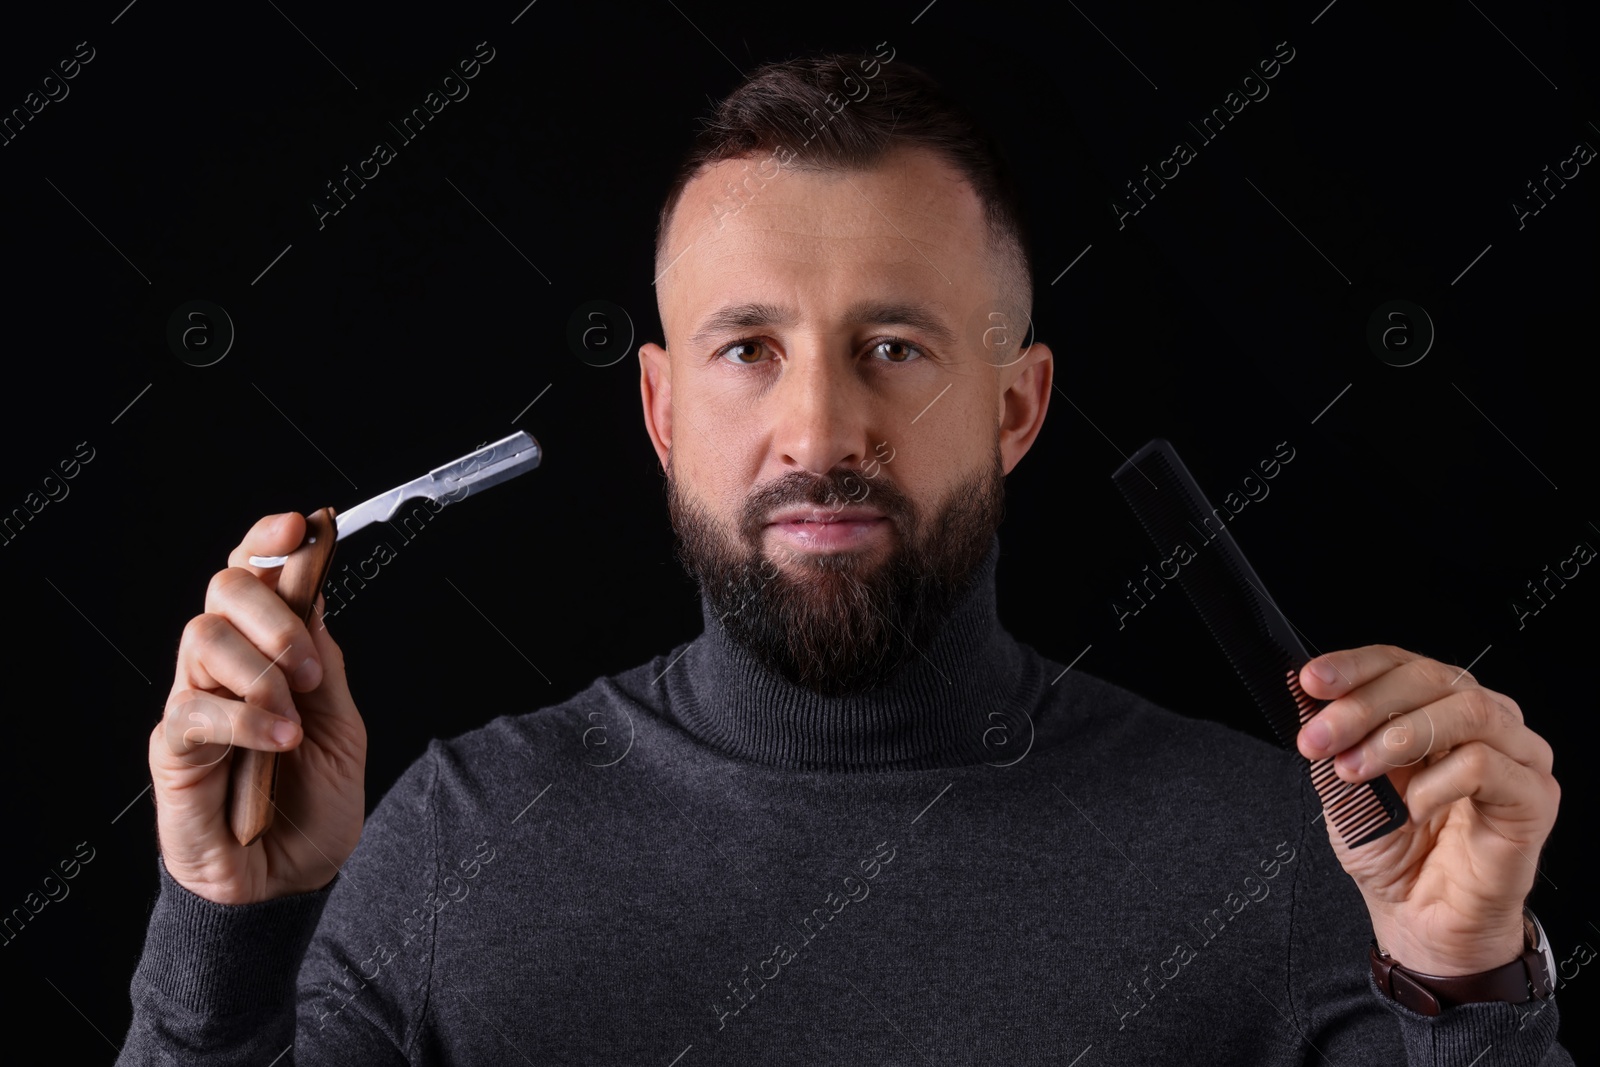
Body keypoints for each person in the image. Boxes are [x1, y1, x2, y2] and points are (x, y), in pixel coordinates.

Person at [119, 52, 1571, 1064]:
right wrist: (229, 928)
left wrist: (1470, 980)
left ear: (1016, 408)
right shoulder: (449, 841)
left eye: (895, 348)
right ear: (664, 411)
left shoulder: (1289, 858)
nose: (819, 426)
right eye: (750, 349)